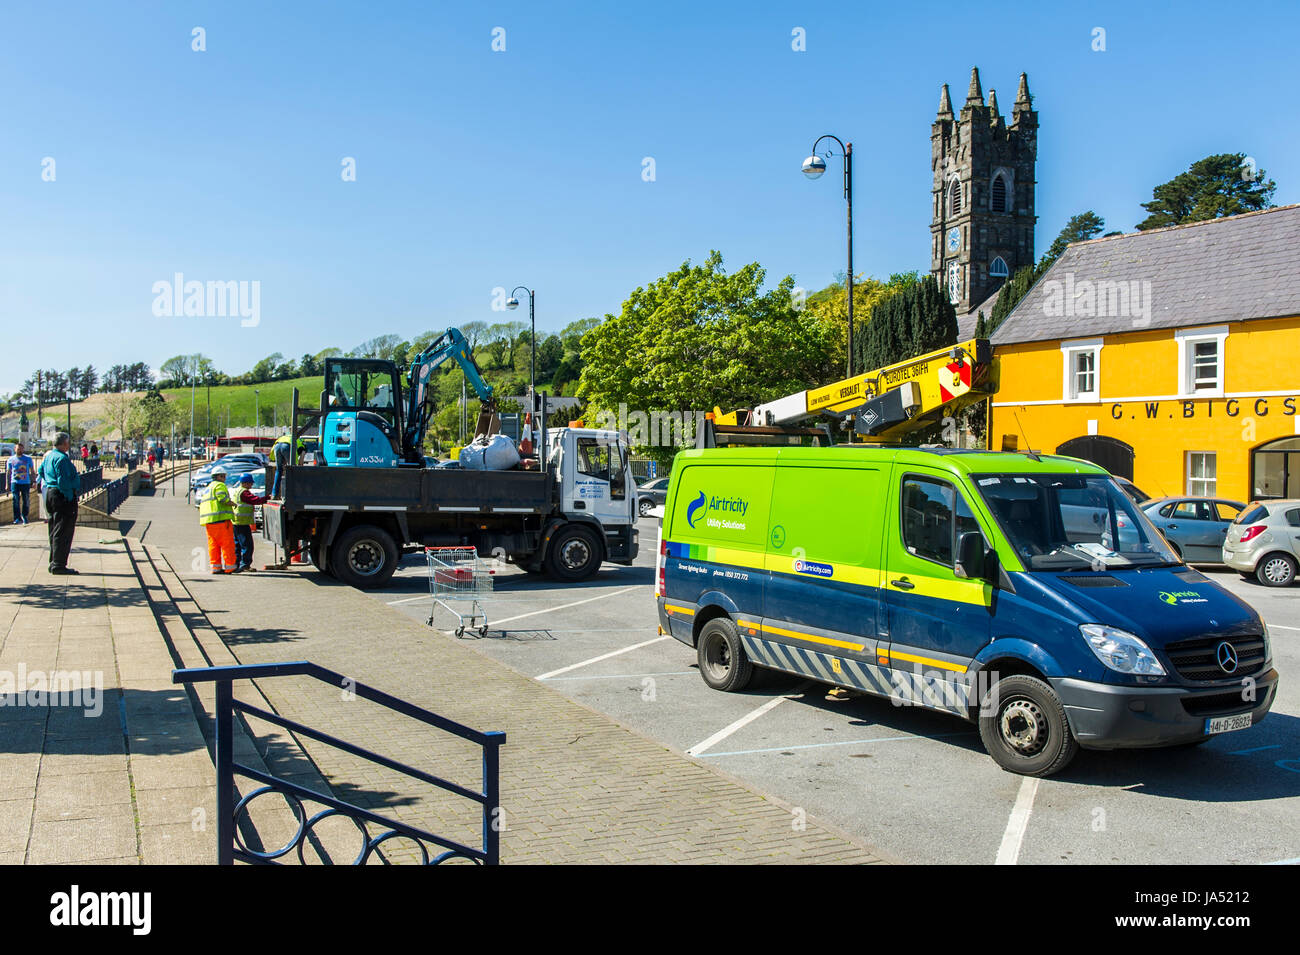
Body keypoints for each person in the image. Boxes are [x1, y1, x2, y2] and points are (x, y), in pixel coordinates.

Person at [39, 433, 81, 574]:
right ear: (64, 443)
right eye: (68, 442)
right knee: (63, 530)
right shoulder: (62, 459)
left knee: (54, 529)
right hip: (62, 496)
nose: (69, 445)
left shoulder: (49, 456)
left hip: (51, 493)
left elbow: (41, 472)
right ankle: (59, 564)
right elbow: (63, 481)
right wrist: (69, 495)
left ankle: (54, 561)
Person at [198, 465, 237, 574]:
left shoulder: (209, 488)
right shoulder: (220, 485)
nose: (225, 478)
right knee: (227, 544)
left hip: (209, 522)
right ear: (219, 476)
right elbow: (222, 499)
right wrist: (233, 503)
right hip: (221, 521)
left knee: (213, 545)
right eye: (224, 476)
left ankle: (216, 567)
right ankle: (230, 567)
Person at [231, 474, 268, 572]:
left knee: (237, 545)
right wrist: (268, 498)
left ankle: (236, 564)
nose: (251, 485)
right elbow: (256, 500)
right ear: (245, 483)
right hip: (242, 523)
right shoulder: (244, 493)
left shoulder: (238, 491)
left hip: (236, 522)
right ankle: (245, 565)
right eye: (250, 483)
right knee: (247, 545)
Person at [7, 442, 34, 525]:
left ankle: (24, 516)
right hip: (15, 482)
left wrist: (34, 481)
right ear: (15, 449)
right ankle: (17, 518)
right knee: (15, 500)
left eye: (21, 449)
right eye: (18, 449)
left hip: (25, 482)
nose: (20, 450)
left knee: (26, 500)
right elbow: (8, 472)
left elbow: (32, 471)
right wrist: (7, 484)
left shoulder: (28, 459)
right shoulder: (11, 459)